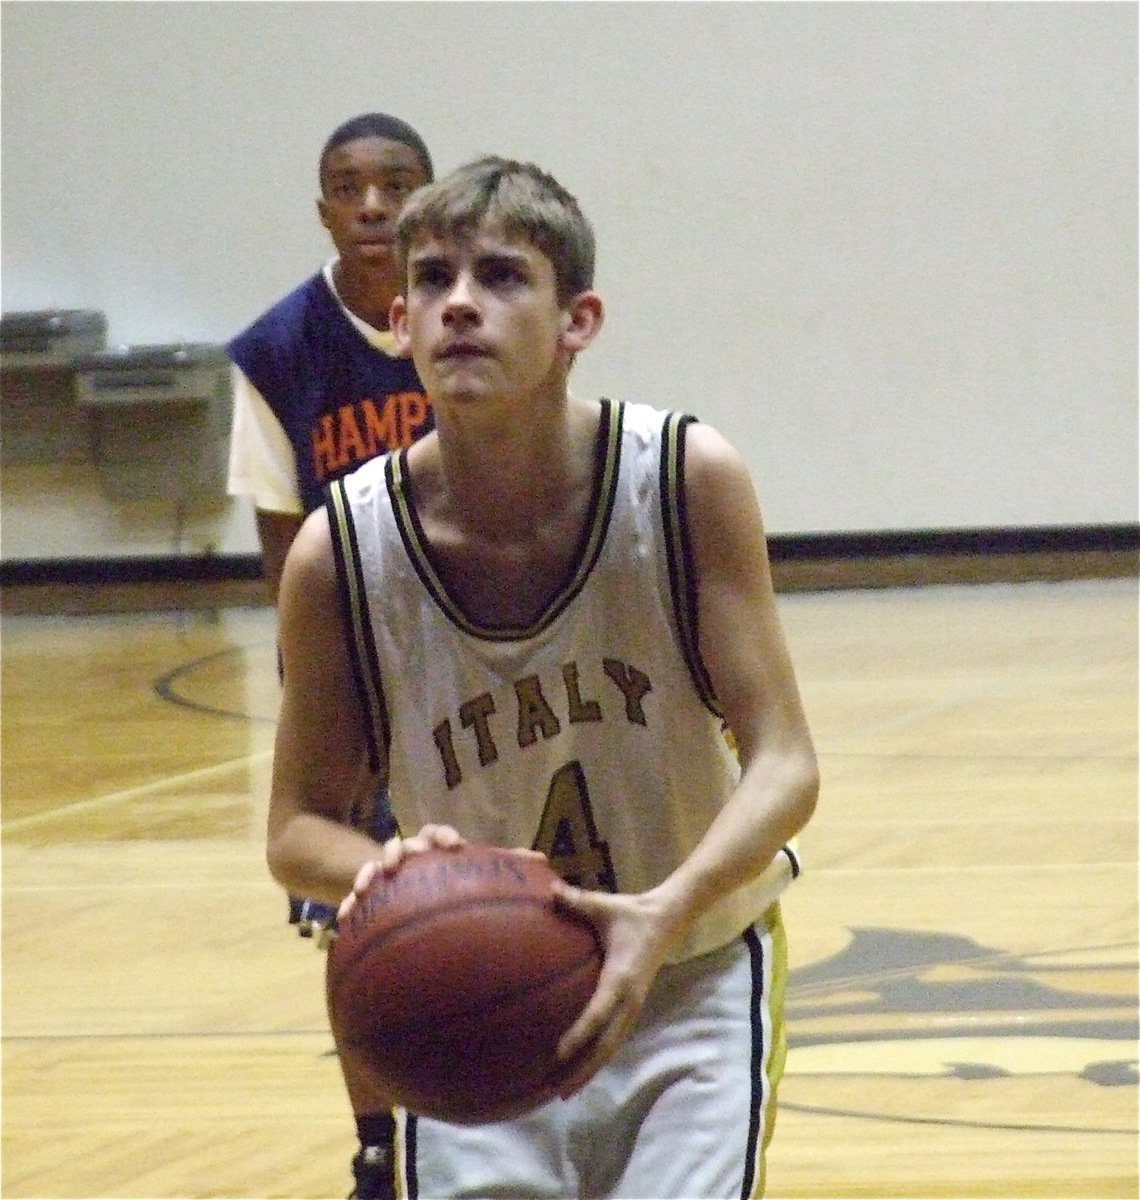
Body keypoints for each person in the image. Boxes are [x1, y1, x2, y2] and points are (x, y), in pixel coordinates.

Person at [267, 157, 819, 1198]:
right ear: (399, 321)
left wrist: (668, 907)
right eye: (432, 280)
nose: (461, 303)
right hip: (475, 1001)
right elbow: (294, 828)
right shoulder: (339, 549)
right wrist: (386, 875)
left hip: (689, 972)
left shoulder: (685, 480)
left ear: (579, 320)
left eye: (503, 276)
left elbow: (786, 764)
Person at [225, 112, 436, 1196]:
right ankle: (374, 1145)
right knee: (360, 928)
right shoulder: (276, 353)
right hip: (354, 684)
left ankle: (485, 1120)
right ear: (323, 209)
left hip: (470, 662)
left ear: (428, 198)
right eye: (349, 188)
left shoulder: (472, 321)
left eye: (395, 185)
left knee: (486, 905)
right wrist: (321, 700)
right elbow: (279, 553)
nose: (373, 206)